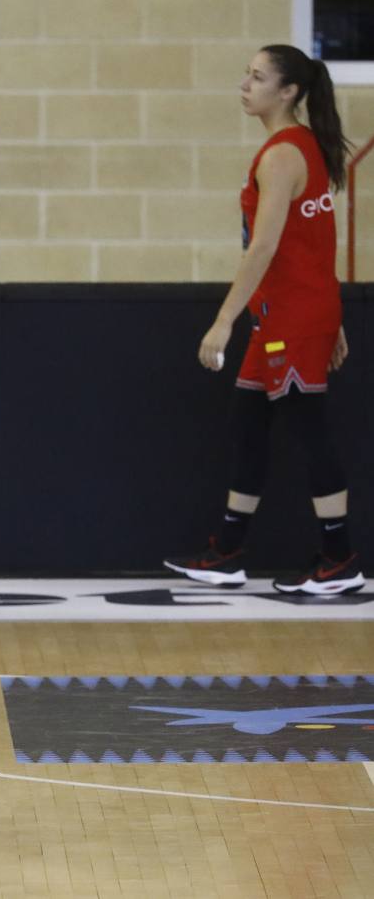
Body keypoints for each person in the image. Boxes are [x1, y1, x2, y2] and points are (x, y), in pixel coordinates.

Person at [164, 45, 362, 596]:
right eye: (246, 75)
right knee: (248, 422)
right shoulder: (304, 149)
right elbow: (315, 242)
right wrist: (334, 317)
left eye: (257, 77)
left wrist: (223, 321)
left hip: (294, 316)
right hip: (291, 313)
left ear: (289, 91)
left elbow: (267, 246)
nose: (244, 86)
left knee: (309, 429)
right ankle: (227, 552)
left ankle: (340, 558)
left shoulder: (283, 154)